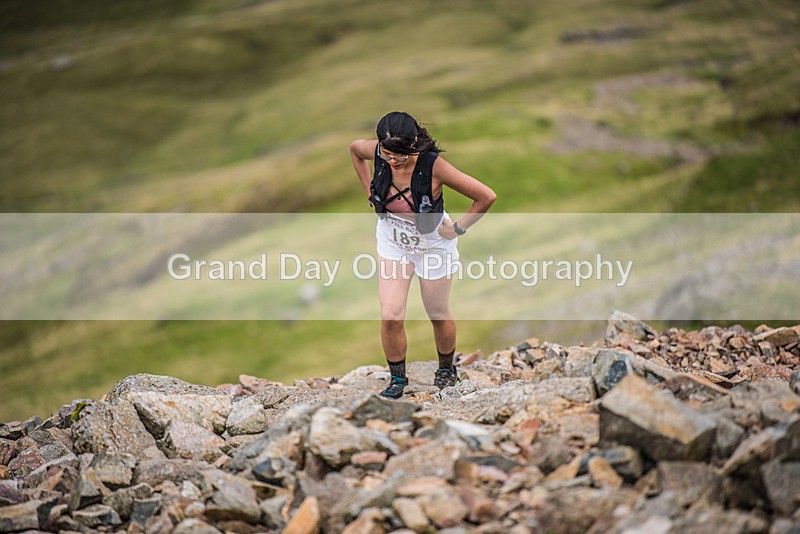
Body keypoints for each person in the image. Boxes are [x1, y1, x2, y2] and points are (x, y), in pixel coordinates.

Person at [350, 111, 496, 399]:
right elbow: (355, 150)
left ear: (414, 144)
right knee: (391, 315)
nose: (392, 160)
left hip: (432, 245)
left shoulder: (435, 166)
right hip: (393, 241)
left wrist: (456, 230)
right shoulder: (378, 152)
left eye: (400, 156)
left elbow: (486, 196)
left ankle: (445, 370)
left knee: (437, 312)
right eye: (387, 153)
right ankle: (396, 379)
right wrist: (369, 189)